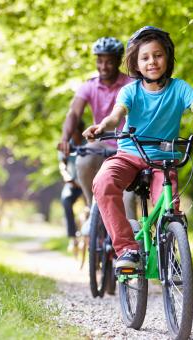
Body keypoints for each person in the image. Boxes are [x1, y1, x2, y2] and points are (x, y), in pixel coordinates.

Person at [83, 26, 193, 271]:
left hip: (164, 161)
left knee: (169, 209)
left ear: (168, 58)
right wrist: (101, 126)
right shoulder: (130, 91)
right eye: (145, 57)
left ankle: (169, 250)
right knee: (103, 182)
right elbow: (115, 116)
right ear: (136, 63)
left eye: (158, 55)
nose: (152, 61)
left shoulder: (179, 88)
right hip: (130, 155)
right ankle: (127, 250)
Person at [58, 36, 137, 226]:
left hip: (127, 145)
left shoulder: (131, 84)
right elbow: (74, 114)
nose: (103, 66)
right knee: (84, 160)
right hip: (101, 142)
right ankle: (91, 206)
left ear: (119, 61)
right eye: (100, 61)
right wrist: (64, 139)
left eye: (109, 61)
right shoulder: (89, 86)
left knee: (128, 201)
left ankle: (134, 249)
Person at [58, 119, 86, 254]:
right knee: (66, 200)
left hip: (87, 182)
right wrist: (66, 176)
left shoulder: (89, 143)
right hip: (73, 183)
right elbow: (62, 164)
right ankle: (72, 237)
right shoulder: (67, 144)